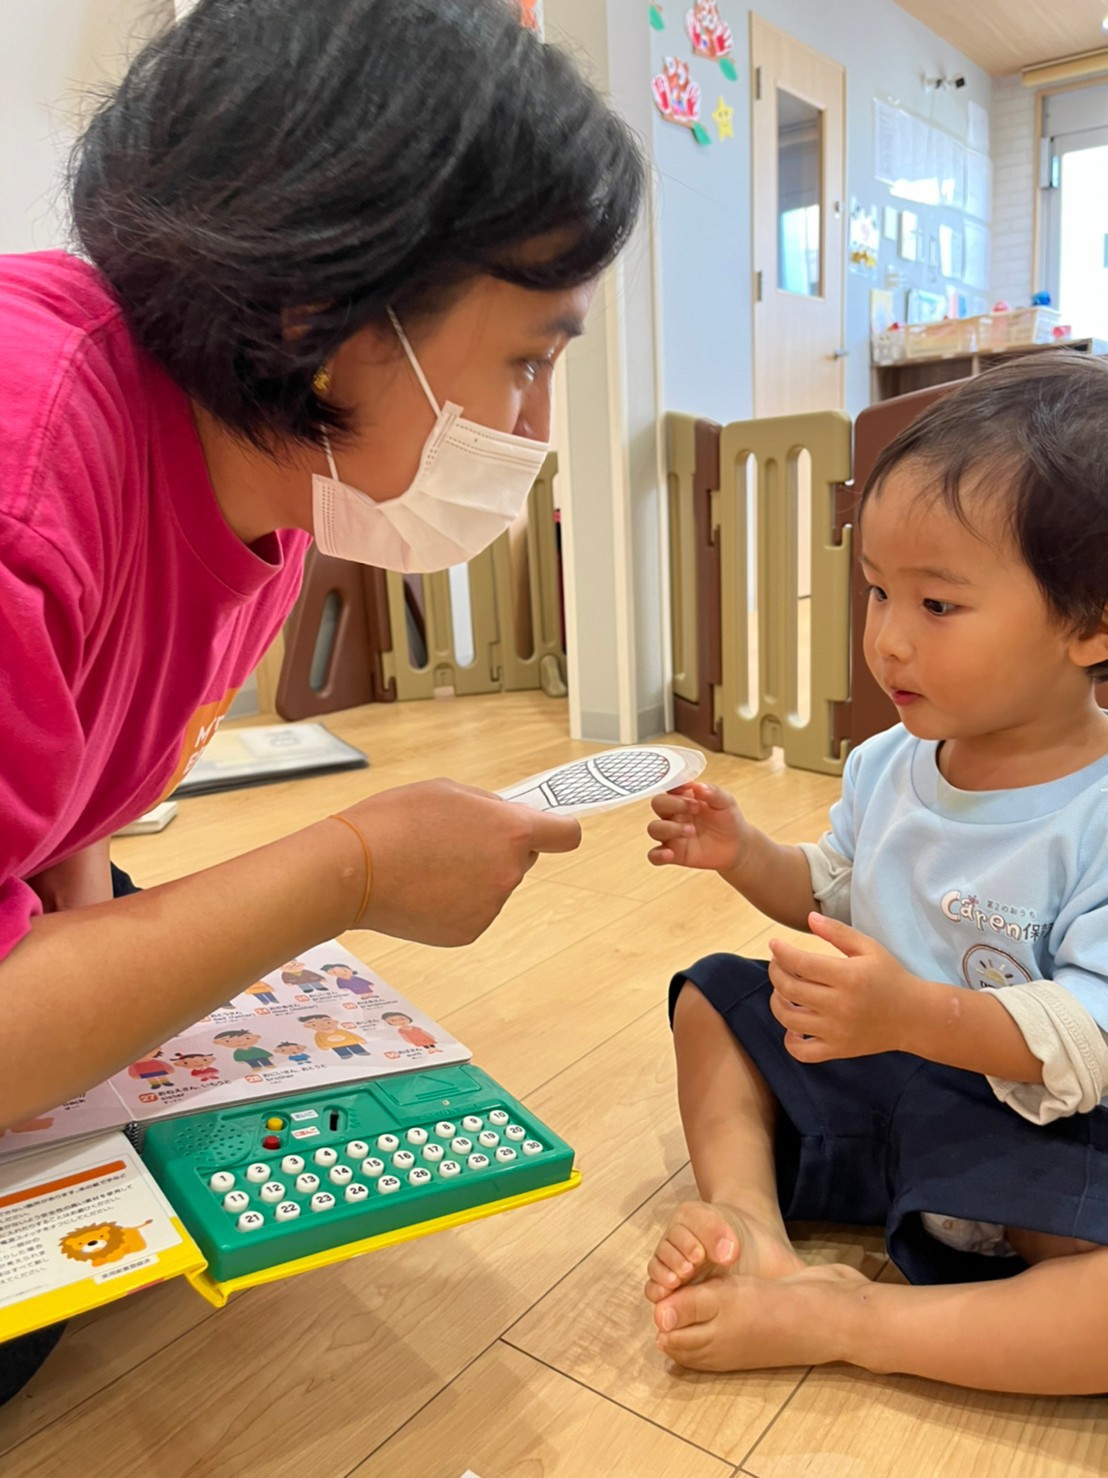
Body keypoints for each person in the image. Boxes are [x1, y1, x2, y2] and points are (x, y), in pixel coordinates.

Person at [0, 0, 642, 1400]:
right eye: (528, 359)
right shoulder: (27, 459)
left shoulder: (275, 487)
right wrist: (349, 867)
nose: (538, 427)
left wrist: (90, 984)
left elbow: (68, 789)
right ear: (320, 312)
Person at [643, 354, 1108, 1395]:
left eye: (937, 603)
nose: (887, 638)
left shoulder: (1096, 809)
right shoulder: (888, 761)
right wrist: (746, 856)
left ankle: (855, 1317)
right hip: (871, 1064)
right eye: (877, 591)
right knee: (715, 998)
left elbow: (1087, 1036)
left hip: (1018, 1111)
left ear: (1091, 623)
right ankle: (749, 1227)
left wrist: (914, 1012)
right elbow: (837, 889)